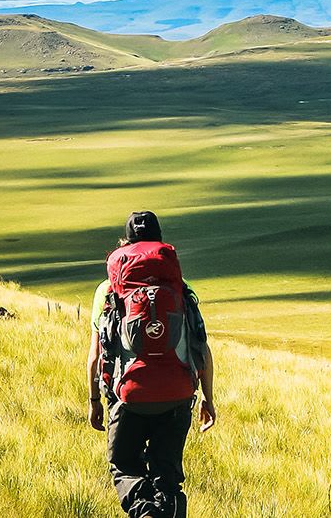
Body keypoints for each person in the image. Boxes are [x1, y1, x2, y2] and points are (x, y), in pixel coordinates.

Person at [87, 211, 216, 518]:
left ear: (126, 246)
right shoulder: (182, 288)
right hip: (177, 393)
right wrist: (208, 399)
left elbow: (95, 355)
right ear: (160, 243)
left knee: (125, 466)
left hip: (127, 396)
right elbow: (201, 347)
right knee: (168, 478)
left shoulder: (108, 290)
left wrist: (94, 401)